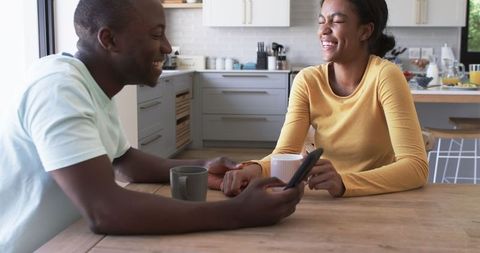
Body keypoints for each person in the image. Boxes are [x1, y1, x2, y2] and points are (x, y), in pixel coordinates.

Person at [0, 0, 304, 252]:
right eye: (157, 35)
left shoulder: (91, 87)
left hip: (72, 238)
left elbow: (125, 161)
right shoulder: (59, 88)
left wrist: (203, 166)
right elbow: (105, 210)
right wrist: (237, 214)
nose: (168, 47)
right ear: (109, 40)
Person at [221, 0, 428, 198]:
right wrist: (253, 169)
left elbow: (415, 167)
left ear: (365, 31)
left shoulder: (385, 76)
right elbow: (286, 152)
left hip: (379, 200)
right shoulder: (308, 80)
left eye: (336, 21)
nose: (323, 30)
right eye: (321, 21)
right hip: (324, 199)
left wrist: (344, 183)